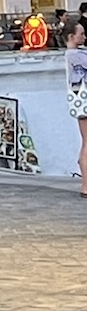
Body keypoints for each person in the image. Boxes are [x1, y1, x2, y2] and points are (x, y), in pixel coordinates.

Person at [66, 22, 87, 197]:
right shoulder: (74, 54)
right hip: (83, 102)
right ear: (71, 37)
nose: (84, 37)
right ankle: (86, 186)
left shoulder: (76, 54)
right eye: (81, 34)